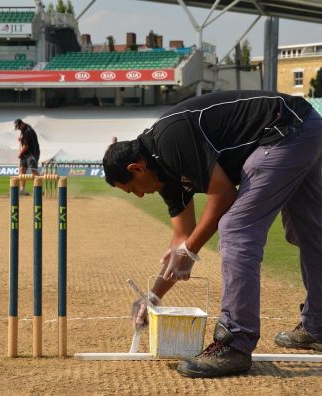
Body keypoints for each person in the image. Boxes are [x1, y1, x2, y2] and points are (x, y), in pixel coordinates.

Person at [102, 90, 322, 378]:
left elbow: (223, 194)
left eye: (133, 188)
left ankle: (235, 342)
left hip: (287, 127)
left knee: (236, 228)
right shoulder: (162, 174)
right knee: (311, 232)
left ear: (137, 168)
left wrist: (190, 250)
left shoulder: (169, 139)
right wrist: (152, 297)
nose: (140, 195)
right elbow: (182, 239)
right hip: (305, 126)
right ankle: (318, 326)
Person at [15, 118, 40, 196]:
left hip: (32, 153)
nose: (18, 129)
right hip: (25, 153)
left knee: (34, 171)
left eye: (18, 127)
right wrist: (21, 139)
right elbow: (24, 142)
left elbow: (26, 146)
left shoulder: (27, 131)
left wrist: (20, 154)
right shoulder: (23, 129)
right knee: (22, 170)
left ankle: (38, 189)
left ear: (22, 124)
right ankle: (22, 190)